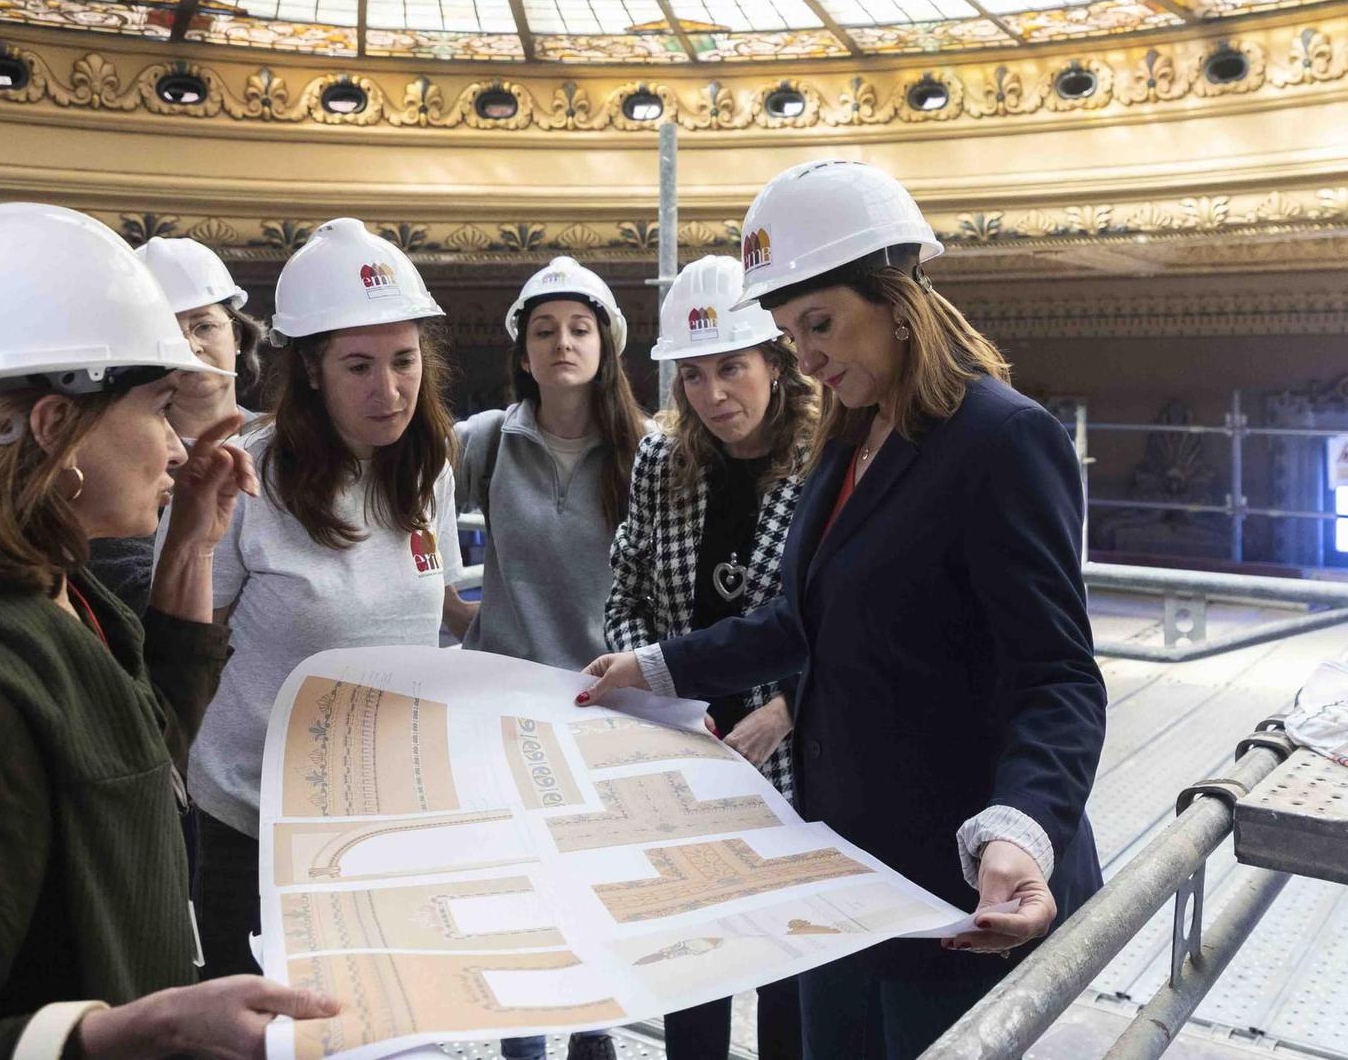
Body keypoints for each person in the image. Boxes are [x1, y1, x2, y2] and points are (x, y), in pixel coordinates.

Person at [578, 161, 1107, 1060]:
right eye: (790, 332)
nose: (807, 355)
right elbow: (799, 623)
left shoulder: (1002, 439)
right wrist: (656, 668)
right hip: (844, 874)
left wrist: (1021, 829)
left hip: (957, 887)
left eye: (819, 324)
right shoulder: (851, 435)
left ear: (897, 296)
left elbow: (1056, 676)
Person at [0, 202, 339, 1058]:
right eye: (159, 407)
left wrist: (193, 548)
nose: (176, 447)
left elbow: (137, 747)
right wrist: (132, 1030)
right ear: (56, 427)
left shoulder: (48, 588)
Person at [187, 217, 471, 979]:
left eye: (405, 360)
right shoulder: (246, 478)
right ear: (311, 369)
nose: (390, 389)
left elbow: (432, 606)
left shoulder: (428, 469)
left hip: (380, 819)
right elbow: (191, 649)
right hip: (254, 823)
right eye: (358, 366)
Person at [605, 255, 818, 1060]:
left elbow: (846, 622)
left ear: (776, 360)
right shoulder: (664, 461)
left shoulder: (827, 461)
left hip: (790, 758)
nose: (713, 394)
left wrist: (789, 706)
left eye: (731, 367)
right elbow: (624, 597)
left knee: (784, 964)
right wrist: (661, 696)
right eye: (692, 375)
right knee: (690, 964)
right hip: (681, 755)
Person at [457, 256, 646, 1060]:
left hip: (603, 709)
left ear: (606, 343)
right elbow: (407, 515)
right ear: (522, 351)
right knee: (517, 889)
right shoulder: (486, 441)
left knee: (598, 886)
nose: (563, 342)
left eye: (578, 327)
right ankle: (522, 1042)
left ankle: (596, 1028)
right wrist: (455, 610)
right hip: (501, 708)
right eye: (545, 330)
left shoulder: (648, 452)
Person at [90, 236, 265, 617]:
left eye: (203, 326)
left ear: (236, 335)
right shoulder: (121, 457)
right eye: (170, 334)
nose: (190, 346)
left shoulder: (288, 440)